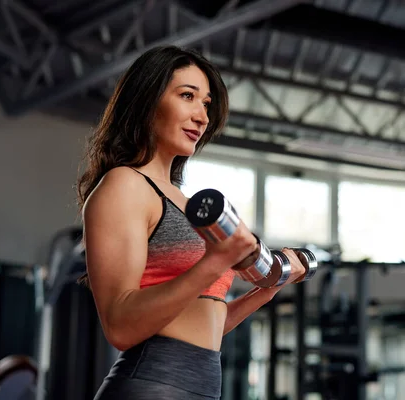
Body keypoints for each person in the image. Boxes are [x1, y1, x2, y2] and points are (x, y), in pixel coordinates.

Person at [75, 45, 307, 400]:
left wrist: (270, 287)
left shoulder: (184, 201)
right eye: (188, 96)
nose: (202, 116)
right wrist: (217, 259)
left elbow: (208, 323)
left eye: (206, 104)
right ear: (147, 100)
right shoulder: (125, 184)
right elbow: (120, 326)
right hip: (152, 387)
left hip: (199, 385)